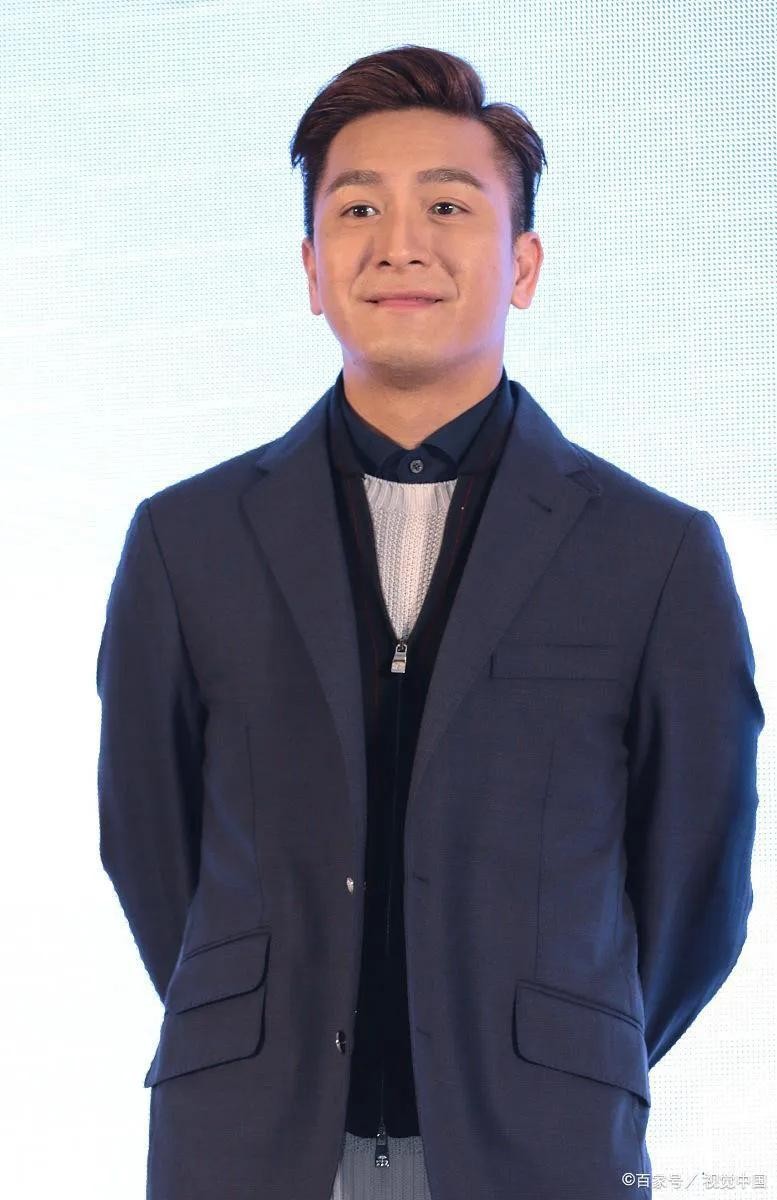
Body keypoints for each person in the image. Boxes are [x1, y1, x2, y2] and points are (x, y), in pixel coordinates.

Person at [96, 44, 764, 1200]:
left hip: (538, 1149)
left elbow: (697, 888)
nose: (399, 243)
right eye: (358, 209)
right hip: (246, 1148)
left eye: (448, 206)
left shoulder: (655, 554)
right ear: (313, 268)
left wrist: (560, 1047)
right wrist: (256, 1030)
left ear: (523, 264)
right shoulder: (184, 541)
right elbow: (149, 848)